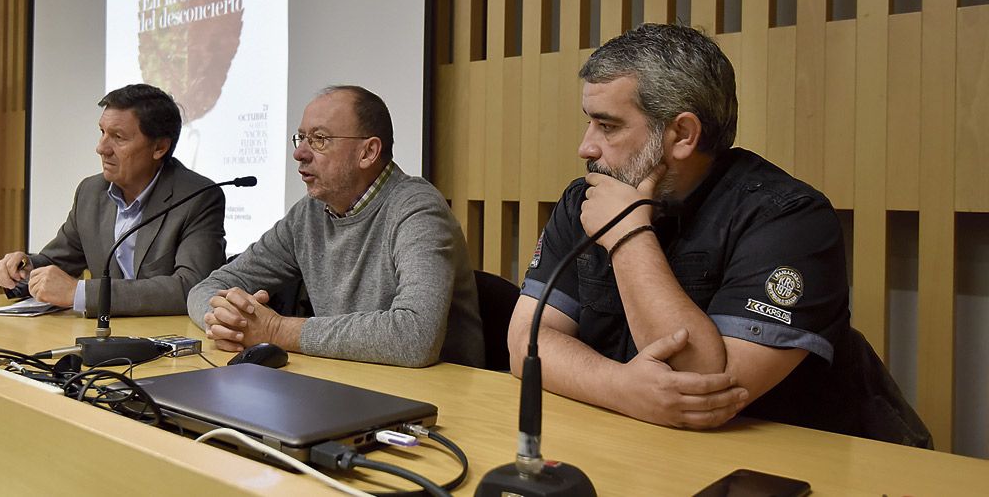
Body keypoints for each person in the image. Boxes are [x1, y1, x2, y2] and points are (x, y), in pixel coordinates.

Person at [509, 23, 930, 445]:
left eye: (608, 125)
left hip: (783, 466)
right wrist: (619, 387)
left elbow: (703, 389)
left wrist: (627, 235)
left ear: (683, 135)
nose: (586, 147)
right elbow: (526, 343)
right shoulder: (588, 197)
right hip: (640, 448)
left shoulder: (789, 218)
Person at [187, 85, 485, 368]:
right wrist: (228, 321)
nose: (299, 153)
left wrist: (276, 329)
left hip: (438, 399)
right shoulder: (309, 215)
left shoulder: (417, 210)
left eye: (319, 139)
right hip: (349, 382)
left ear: (367, 152)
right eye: (301, 138)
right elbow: (207, 288)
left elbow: (415, 336)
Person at [0, 84, 226, 316]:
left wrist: (80, 293)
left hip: (166, 337)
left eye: (118, 137)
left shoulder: (198, 197)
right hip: (102, 335)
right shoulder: (91, 192)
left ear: (159, 147)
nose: (101, 148)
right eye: (102, 132)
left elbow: (191, 287)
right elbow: (59, 262)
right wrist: (24, 269)